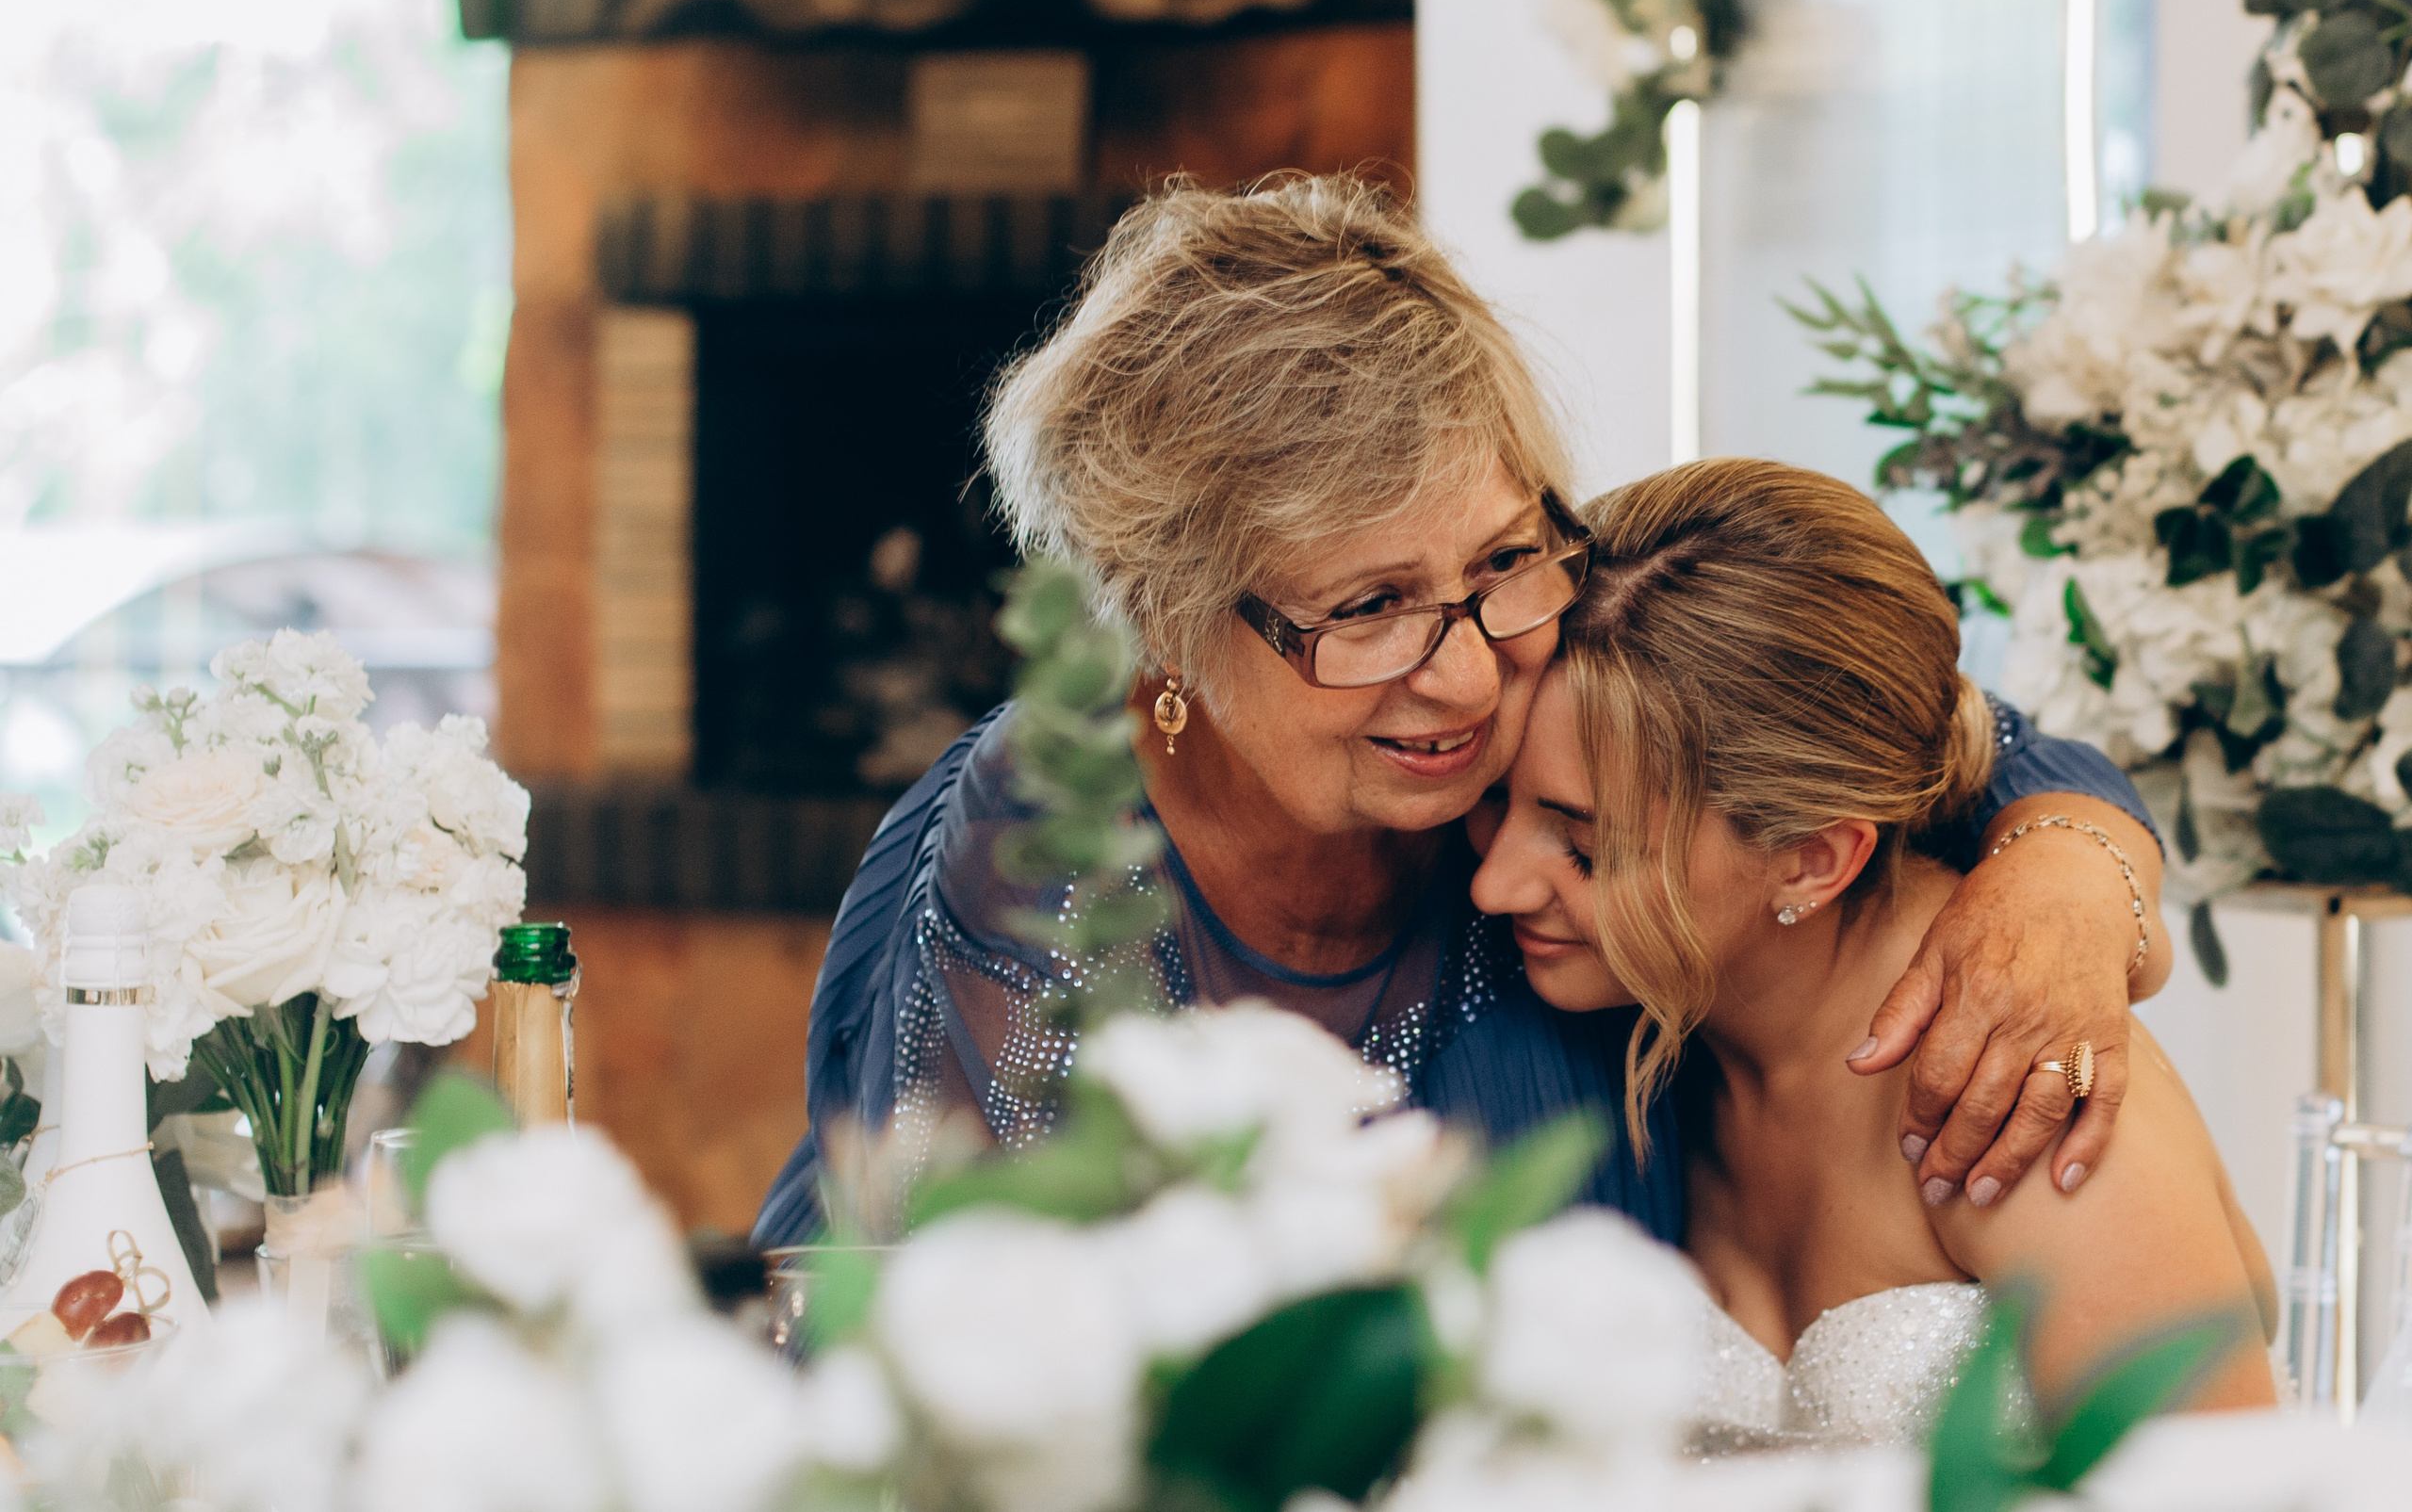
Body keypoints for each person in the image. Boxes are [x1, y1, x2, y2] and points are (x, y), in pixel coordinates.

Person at [754, 174, 2173, 1247]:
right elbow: (965, 1340)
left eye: (1500, 558)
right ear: (1162, 622)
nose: (1470, 674)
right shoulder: (1043, 835)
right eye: (1366, 610)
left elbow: (1871, 713)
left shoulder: (1554, 643)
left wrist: (2071, 862)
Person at [1469, 459, 2273, 1450]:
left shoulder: (2018, 1085)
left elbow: (2243, 1489)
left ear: (1812, 861)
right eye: (1490, 804)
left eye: (1587, 850)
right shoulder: (1656, 1035)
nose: (1493, 885)